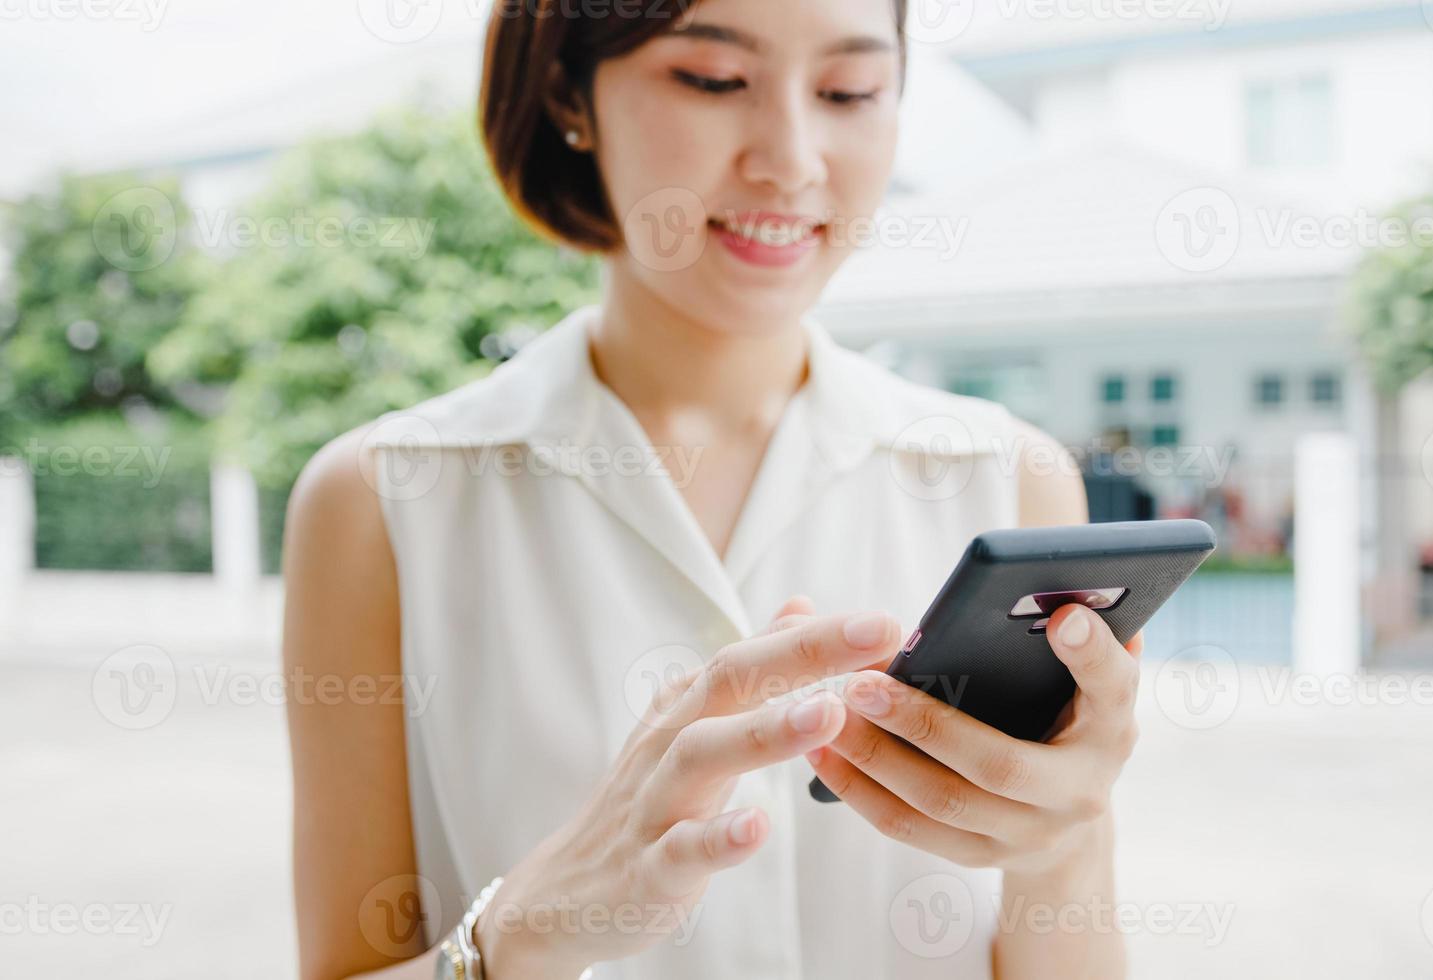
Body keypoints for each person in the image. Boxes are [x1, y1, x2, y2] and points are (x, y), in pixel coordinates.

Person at [282, 1, 1146, 977]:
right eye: (712, 80)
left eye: (846, 91)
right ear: (569, 91)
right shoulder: (384, 501)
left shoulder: (1005, 479)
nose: (790, 158)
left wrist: (1066, 836)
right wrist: (516, 935)